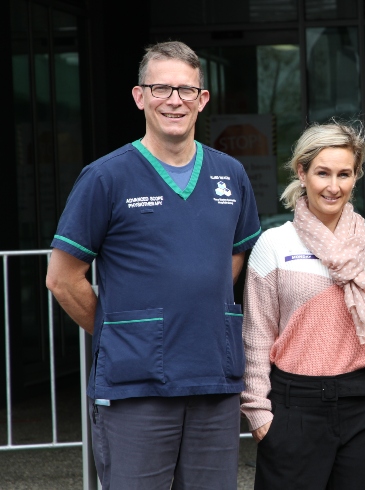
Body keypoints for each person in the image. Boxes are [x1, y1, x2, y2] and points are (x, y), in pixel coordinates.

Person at [45, 41, 261, 489]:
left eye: (186, 90)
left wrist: (202, 306)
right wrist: (121, 333)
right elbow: (62, 279)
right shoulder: (106, 177)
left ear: (203, 99)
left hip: (213, 379)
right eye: (161, 88)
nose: (174, 100)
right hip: (136, 385)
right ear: (140, 97)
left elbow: (237, 252)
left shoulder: (231, 175)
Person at [241, 121, 365, 490]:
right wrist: (259, 415)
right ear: (301, 172)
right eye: (322, 173)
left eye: (344, 174)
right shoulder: (273, 245)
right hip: (294, 410)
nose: (333, 186)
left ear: (356, 177)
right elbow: (256, 336)